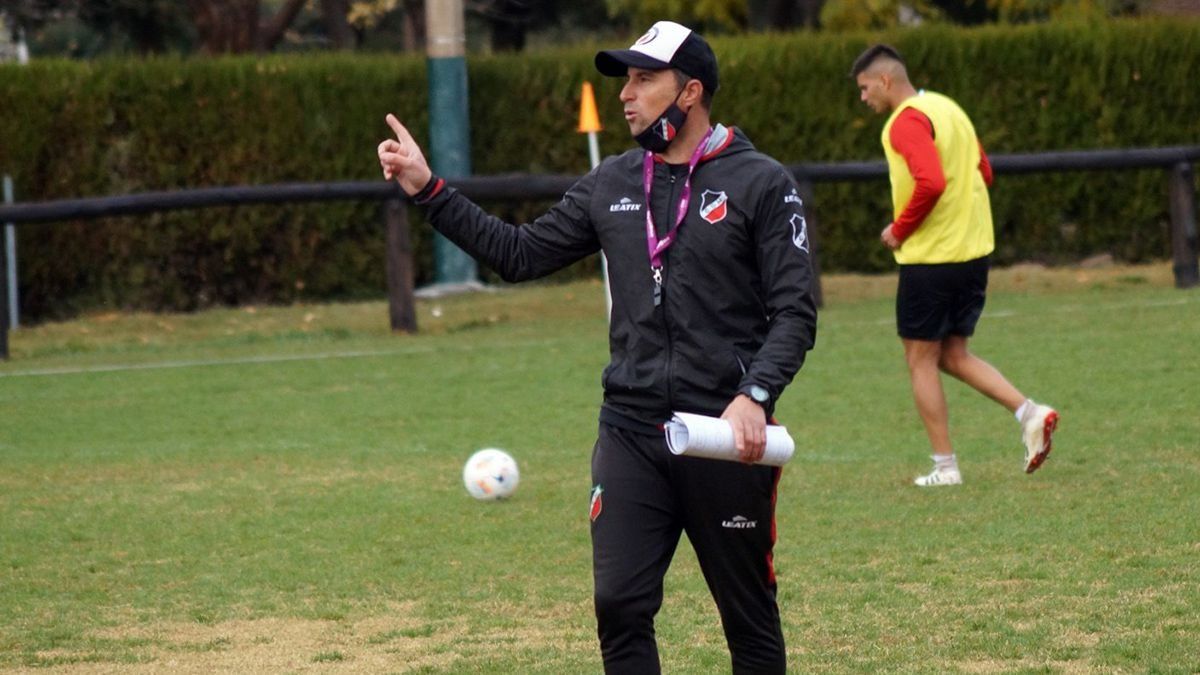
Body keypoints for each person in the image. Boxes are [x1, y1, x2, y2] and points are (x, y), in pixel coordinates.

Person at [379, 20, 816, 674]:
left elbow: (795, 311)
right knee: (619, 605)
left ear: (690, 91)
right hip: (632, 430)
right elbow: (518, 253)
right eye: (625, 80)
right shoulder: (612, 183)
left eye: (644, 80)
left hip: (723, 434)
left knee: (747, 616)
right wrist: (428, 188)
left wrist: (754, 395)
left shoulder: (761, 182)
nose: (626, 95)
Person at [850, 44, 1059, 487]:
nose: (864, 98)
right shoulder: (948, 108)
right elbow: (983, 170)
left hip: (932, 259)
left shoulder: (904, 122)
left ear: (885, 81)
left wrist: (900, 229)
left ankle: (945, 467)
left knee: (919, 359)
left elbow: (931, 181)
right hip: (973, 253)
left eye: (865, 88)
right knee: (952, 354)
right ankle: (1030, 413)